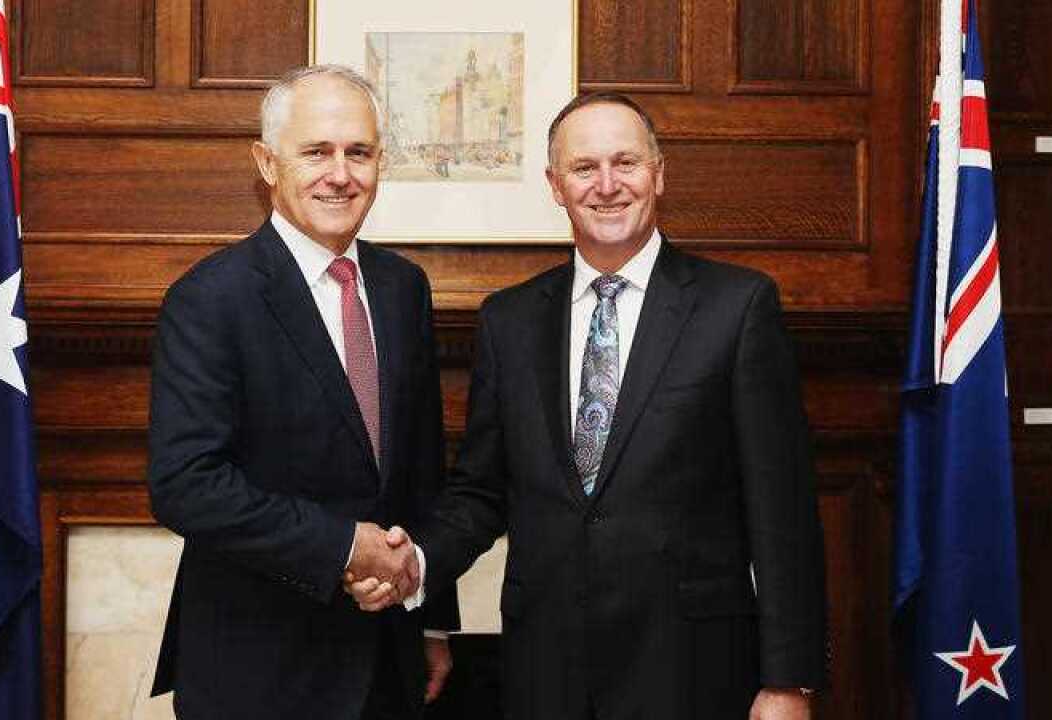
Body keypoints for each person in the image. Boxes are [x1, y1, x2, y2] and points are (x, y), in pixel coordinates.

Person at [348, 92, 828, 719]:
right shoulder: (509, 320)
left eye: (625, 163)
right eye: (584, 168)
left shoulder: (736, 309)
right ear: (555, 185)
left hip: (691, 667)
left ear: (659, 173)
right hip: (547, 671)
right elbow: (480, 492)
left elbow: (782, 512)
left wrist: (789, 680)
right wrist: (416, 559)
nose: (607, 185)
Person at [147, 64, 457, 720]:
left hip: (387, 660)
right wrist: (343, 546)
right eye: (316, 151)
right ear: (267, 162)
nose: (340, 174)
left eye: (360, 152)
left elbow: (423, 471)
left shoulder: (405, 288)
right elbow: (186, 484)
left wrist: (431, 621)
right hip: (258, 671)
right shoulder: (208, 300)